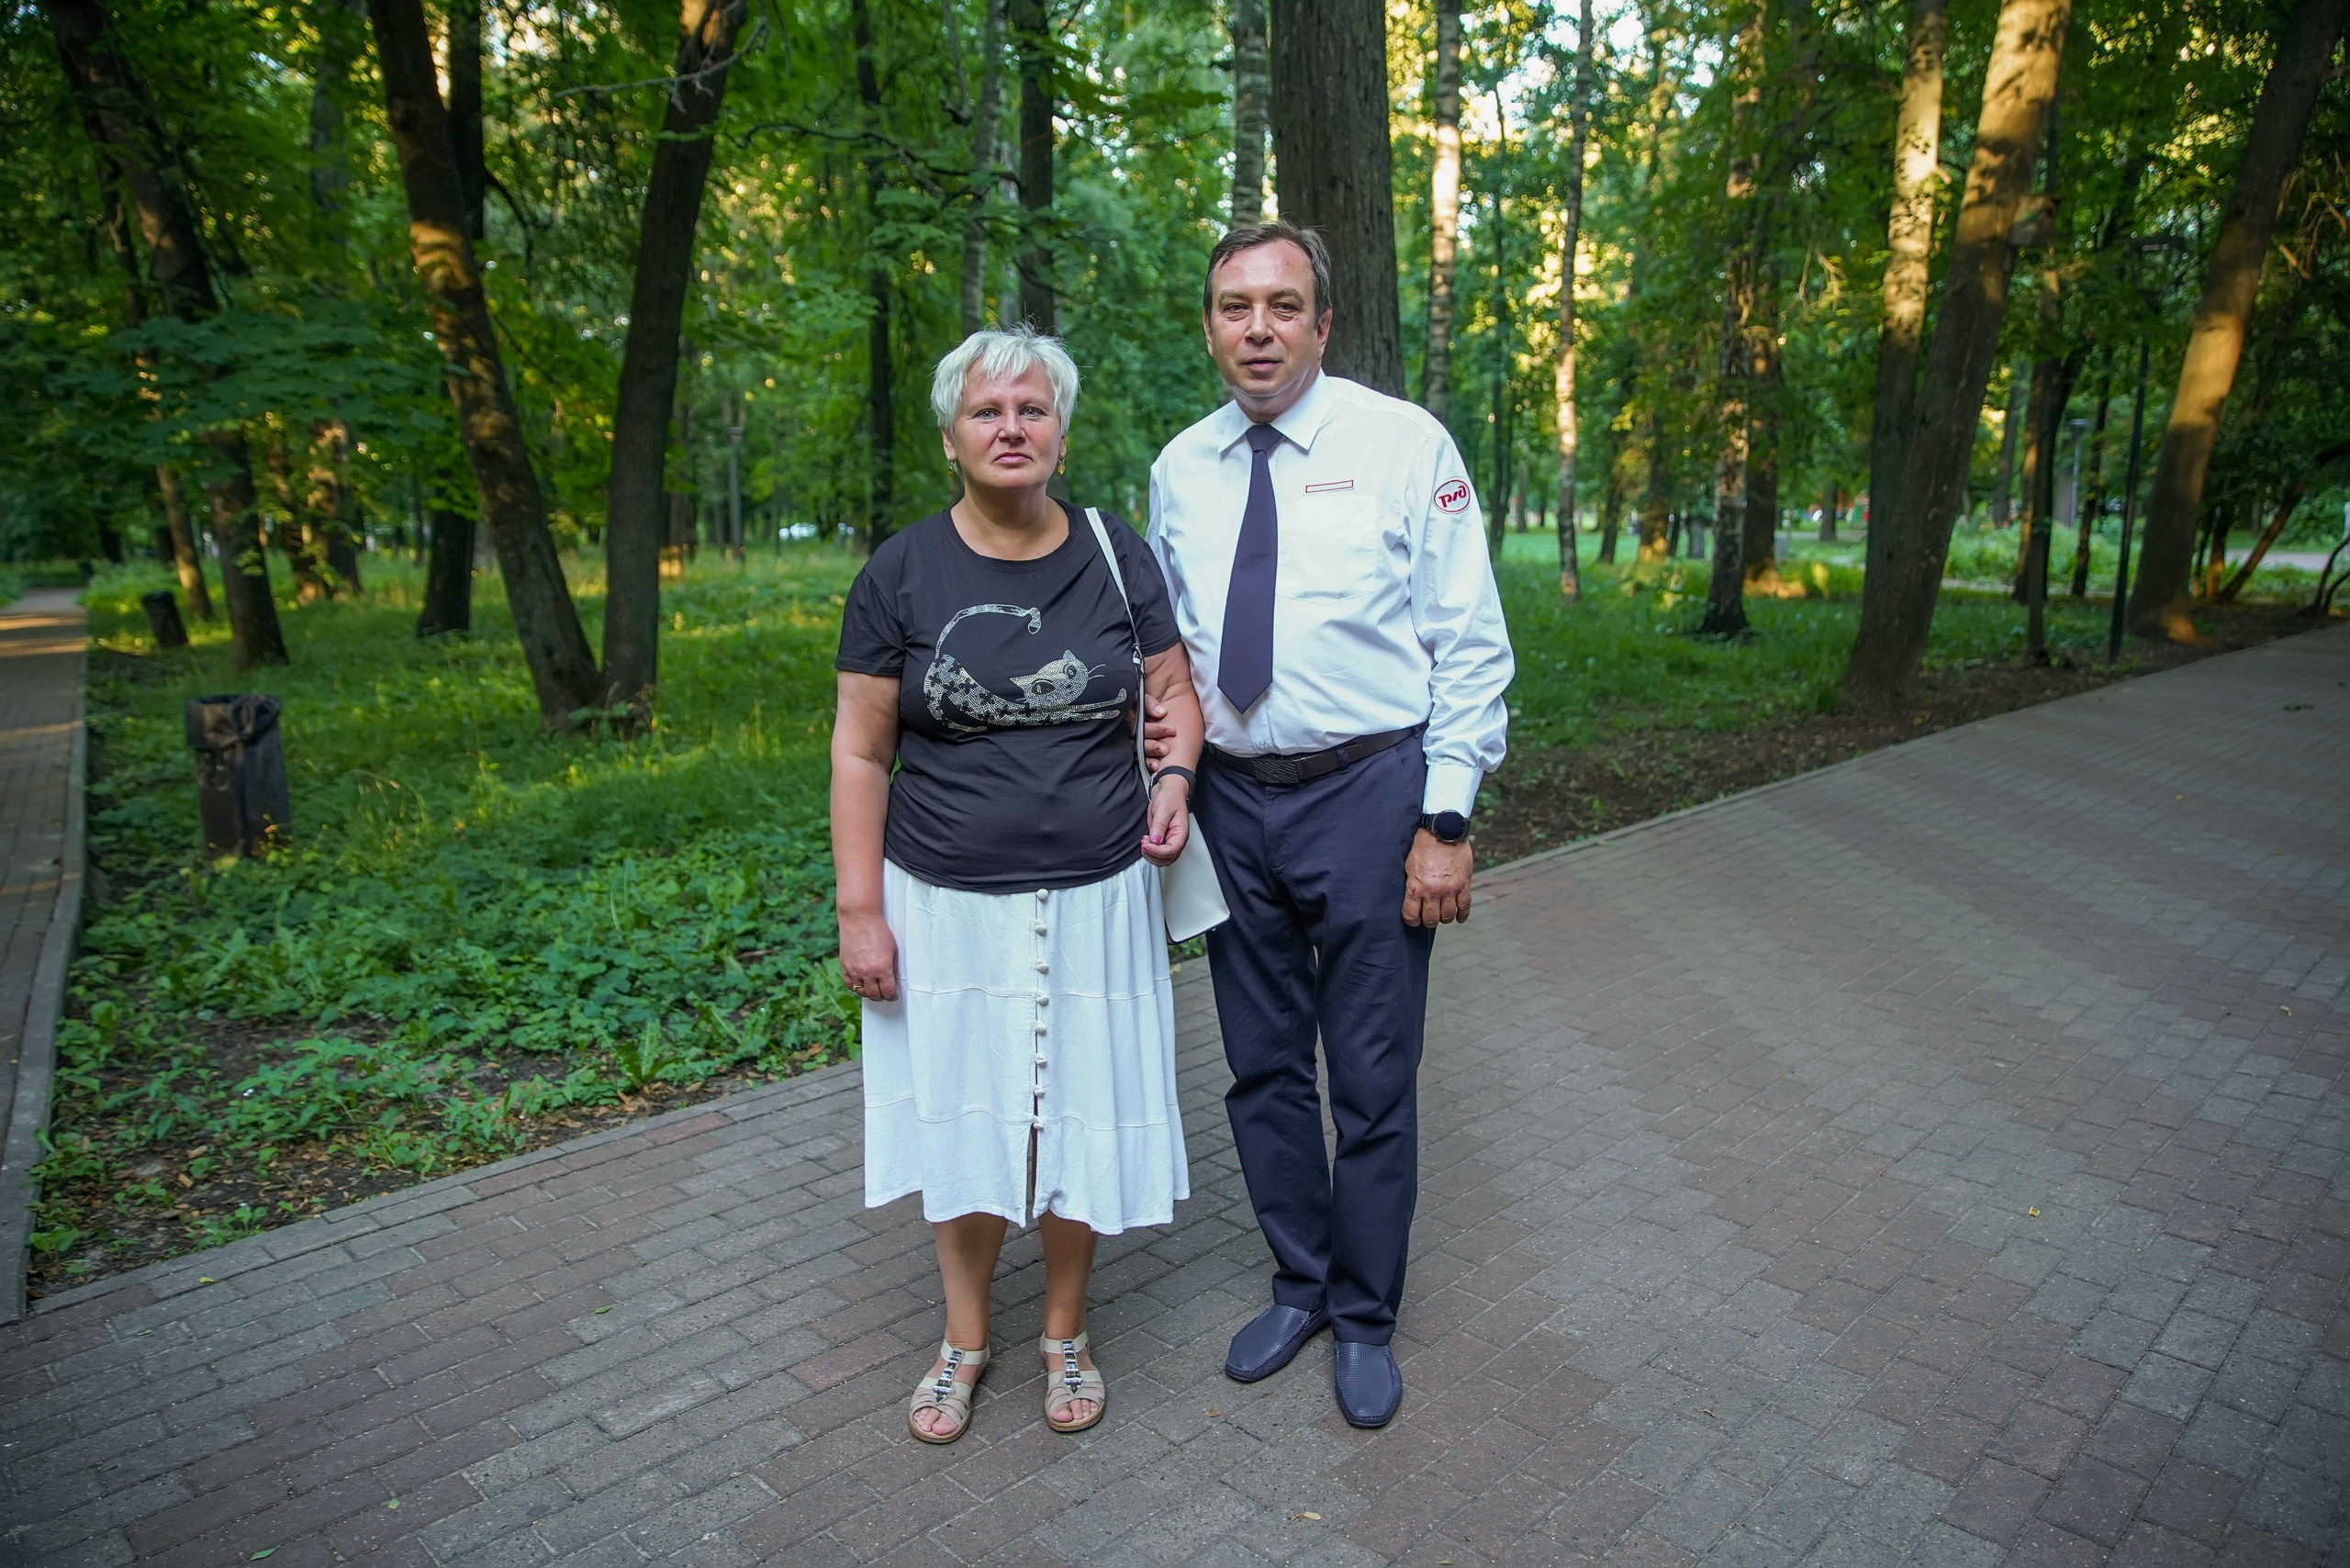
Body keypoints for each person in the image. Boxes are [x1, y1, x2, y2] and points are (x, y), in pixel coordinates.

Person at [1145, 221, 1513, 1429]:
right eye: (1234, 306)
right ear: (1208, 325)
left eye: (1282, 305)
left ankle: (1364, 1313)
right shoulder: (1179, 468)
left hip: (1369, 794)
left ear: (1323, 323)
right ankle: (1298, 1283)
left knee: (1369, 1075)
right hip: (1232, 804)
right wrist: (1165, 783)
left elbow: (1469, 646)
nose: (1257, 327)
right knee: (1258, 1069)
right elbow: (1167, 660)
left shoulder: (1406, 447)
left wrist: (1445, 817)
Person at [831, 326, 1207, 1444]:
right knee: (970, 1123)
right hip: (942, 898)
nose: (1011, 428)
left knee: (1075, 1118)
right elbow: (859, 749)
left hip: (1097, 895)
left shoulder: (1112, 549)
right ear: (952, 434)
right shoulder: (899, 571)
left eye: (1031, 410)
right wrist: (861, 909)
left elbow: (1175, 692)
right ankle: (962, 1342)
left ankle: (1063, 1332)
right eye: (988, 412)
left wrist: (1177, 770)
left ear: (1060, 429)